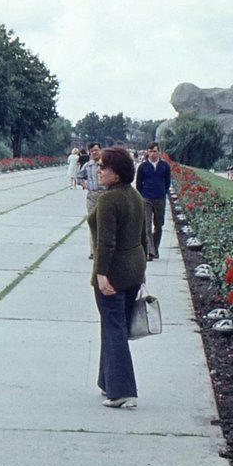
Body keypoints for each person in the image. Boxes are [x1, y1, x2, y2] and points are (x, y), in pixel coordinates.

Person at [89, 146, 148, 409]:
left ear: (117, 172)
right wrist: (142, 269)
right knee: (113, 326)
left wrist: (101, 274)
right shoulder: (134, 195)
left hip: (113, 273)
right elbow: (143, 236)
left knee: (114, 329)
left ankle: (123, 391)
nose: (98, 170)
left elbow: (106, 243)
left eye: (103, 167)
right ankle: (108, 381)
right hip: (133, 270)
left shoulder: (109, 200)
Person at [136, 142, 171, 261]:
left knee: (159, 225)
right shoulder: (143, 166)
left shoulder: (164, 166)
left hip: (160, 198)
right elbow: (138, 183)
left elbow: (167, 182)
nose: (152, 154)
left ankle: (155, 249)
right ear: (147, 152)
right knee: (147, 226)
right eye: (150, 151)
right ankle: (149, 251)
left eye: (155, 151)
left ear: (159, 152)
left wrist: (163, 192)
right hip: (146, 197)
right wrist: (141, 196)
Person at [78, 143, 107, 258]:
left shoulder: (105, 165)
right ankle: (93, 250)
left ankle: (103, 249)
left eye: (96, 150)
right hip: (92, 196)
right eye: (92, 151)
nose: (94, 152)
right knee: (92, 222)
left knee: (104, 223)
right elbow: (79, 176)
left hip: (104, 195)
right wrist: (84, 184)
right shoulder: (88, 165)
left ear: (100, 150)